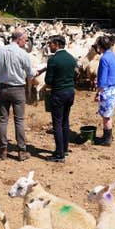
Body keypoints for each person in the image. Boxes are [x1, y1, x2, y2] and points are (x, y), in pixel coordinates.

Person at [0, 27, 36, 161]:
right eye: (25, 40)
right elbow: (30, 74)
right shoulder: (23, 54)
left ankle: (3, 150)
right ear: (19, 39)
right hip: (18, 90)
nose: (26, 42)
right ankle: (21, 151)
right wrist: (39, 71)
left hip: (3, 89)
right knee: (19, 120)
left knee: (3, 119)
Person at [43, 35, 76, 163]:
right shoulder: (71, 58)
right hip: (70, 92)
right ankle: (65, 148)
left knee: (57, 123)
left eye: (50, 43)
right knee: (65, 121)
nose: (49, 46)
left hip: (58, 93)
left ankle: (59, 154)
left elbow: (48, 81)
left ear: (56, 44)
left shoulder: (53, 60)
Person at [94, 35, 115, 146]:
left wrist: (98, 93)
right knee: (108, 113)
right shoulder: (114, 56)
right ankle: (108, 135)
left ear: (100, 46)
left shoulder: (104, 58)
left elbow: (102, 79)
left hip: (108, 89)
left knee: (105, 116)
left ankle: (107, 139)